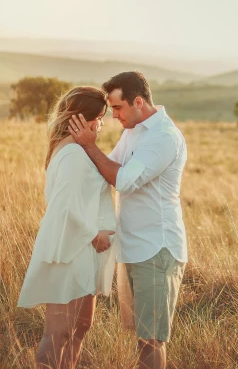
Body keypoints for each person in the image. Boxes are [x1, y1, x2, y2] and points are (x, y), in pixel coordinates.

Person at [68, 71, 187, 369]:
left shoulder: (163, 137)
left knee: (152, 340)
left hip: (157, 250)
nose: (115, 116)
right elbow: (103, 169)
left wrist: (89, 144)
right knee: (140, 337)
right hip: (132, 248)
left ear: (138, 101)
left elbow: (122, 179)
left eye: (118, 108)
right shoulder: (132, 131)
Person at [17, 86, 117, 369]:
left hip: (82, 252)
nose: (101, 124)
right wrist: (93, 234)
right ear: (80, 119)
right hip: (69, 250)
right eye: (99, 117)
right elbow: (62, 207)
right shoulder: (73, 154)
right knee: (59, 333)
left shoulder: (78, 149)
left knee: (79, 329)